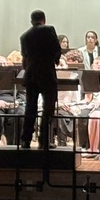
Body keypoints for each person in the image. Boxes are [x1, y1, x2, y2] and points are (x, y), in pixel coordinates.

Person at [19, 9, 62, 150]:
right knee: (48, 108)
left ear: (31, 21)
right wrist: (55, 60)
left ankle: (25, 141)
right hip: (47, 75)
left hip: (31, 75)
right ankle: (44, 141)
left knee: (30, 108)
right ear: (44, 20)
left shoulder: (24, 36)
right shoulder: (49, 29)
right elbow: (57, 49)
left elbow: (24, 57)